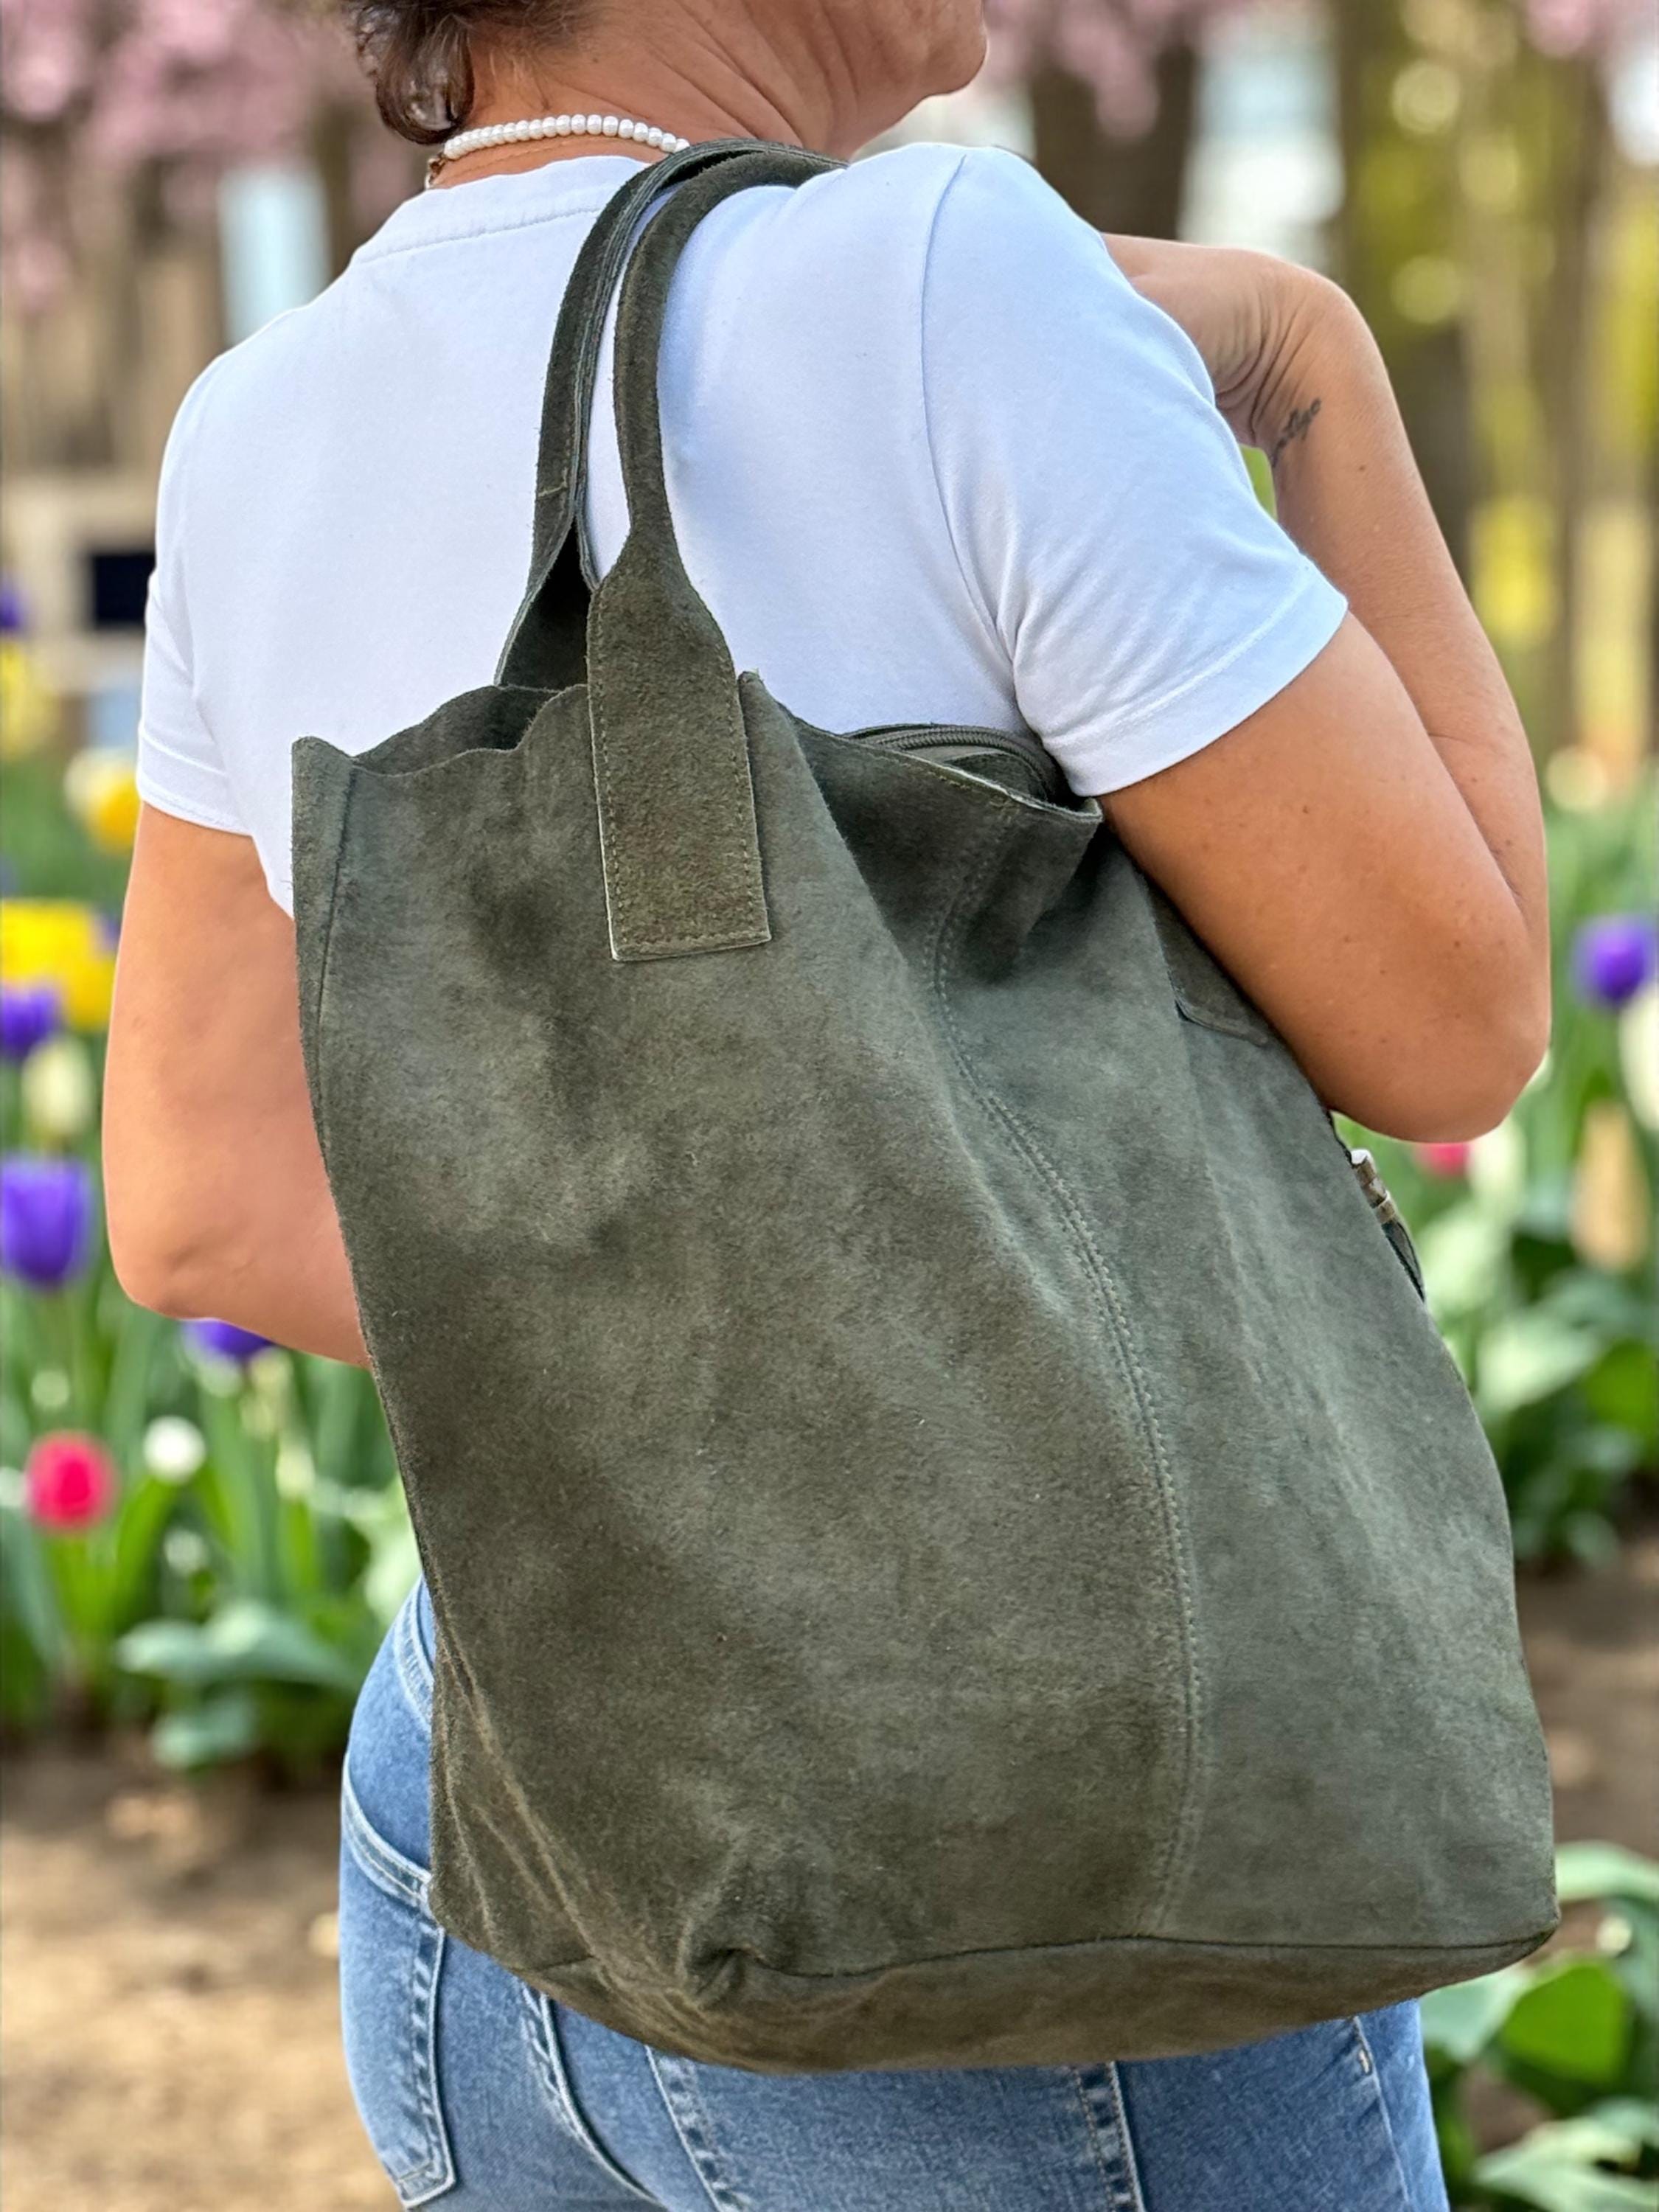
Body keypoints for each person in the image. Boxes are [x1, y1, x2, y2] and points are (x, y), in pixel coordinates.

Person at [104, 1, 1549, 2204]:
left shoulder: (257, 423)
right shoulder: (946, 276)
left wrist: (688, 1402)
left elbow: (198, 1200)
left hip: (498, 1824)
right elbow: (1455, 1020)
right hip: (1003, 1901)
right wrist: (1314, 367)